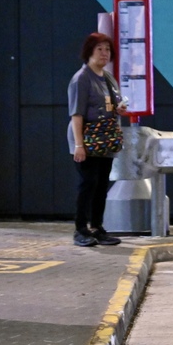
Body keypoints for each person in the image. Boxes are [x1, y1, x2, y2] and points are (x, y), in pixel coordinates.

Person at [67, 32, 127, 247]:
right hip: (87, 140)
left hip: (105, 141)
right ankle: (80, 229)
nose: (104, 53)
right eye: (100, 49)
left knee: (101, 184)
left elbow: (113, 104)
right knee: (88, 183)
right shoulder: (81, 79)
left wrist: (120, 108)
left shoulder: (108, 77)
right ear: (89, 52)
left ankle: (97, 227)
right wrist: (78, 145)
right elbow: (76, 115)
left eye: (107, 49)